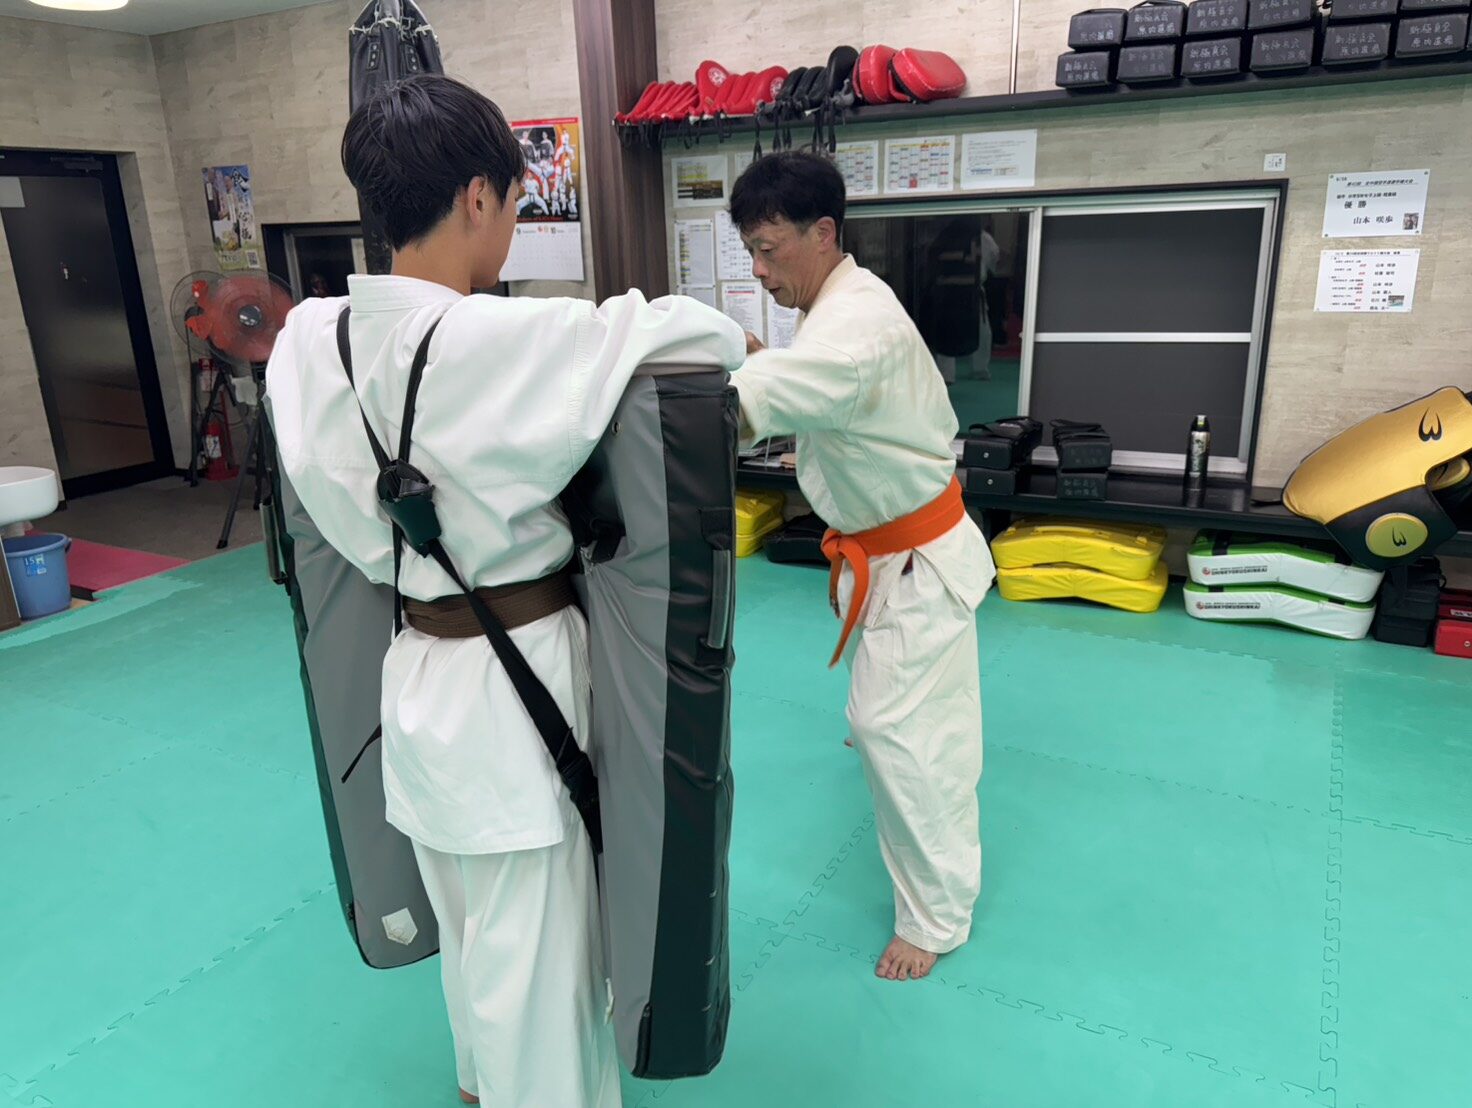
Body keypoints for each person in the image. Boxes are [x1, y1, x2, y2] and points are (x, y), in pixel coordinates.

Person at [265, 74, 744, 1107]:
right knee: (541, 990)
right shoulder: (509, 341)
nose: (513, 228)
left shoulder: (305, 342)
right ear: (477, 196)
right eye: (517, 205)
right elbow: (707, 339)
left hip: (411, 682)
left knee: (470, 933)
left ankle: (479, 1086)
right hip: (520, 698)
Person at [728, 151, 994, 983]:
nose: (759, 270)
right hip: (888, 557)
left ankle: (936, 918)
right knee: (896, 722)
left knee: (908, 746)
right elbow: (801, 382)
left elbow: (757, 403)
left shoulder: (851, 329)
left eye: (768, 249)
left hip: (915, 565)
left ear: (823, 233)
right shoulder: (840, 304)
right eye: (750, 252)